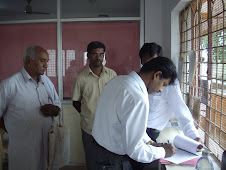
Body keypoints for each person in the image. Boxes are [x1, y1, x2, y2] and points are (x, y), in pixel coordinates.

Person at [91, 57, 178, 169]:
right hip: (112, 161)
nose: (161, 90)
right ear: (156, 75)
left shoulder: (118, 80)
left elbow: (129, 126)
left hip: (98, 150)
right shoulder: (137, 98)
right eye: (164, 84)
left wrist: (150, 143)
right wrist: (163, 152)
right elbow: (135, 150)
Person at [0, 45, 61, 170]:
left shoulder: (46, 82)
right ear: (29, 61)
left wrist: (55, 110)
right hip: (22, 150)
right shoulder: (10, 85)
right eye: (42, 60)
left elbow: (58, 104)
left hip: (45, 146)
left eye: (47, 61)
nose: (46, 65)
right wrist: (12, 130)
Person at [139, 42, 202, 144]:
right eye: (146, 63)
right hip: (136, 128)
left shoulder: (169, 83)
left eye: (153, 63)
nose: (150, 69)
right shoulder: (139, 79)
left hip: (150, 131)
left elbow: (181, 110)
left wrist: (193, 136)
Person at [72, 41, 117, 167]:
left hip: (109, 126)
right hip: (89, 127)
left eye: (101, 54)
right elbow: (76, 102)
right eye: (94, 54)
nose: (98, 58)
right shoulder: (81, 78)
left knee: (109, 159)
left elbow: (116, 98)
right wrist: (88, 112)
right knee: (92, 160)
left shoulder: (112, 75)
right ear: (88, 56)